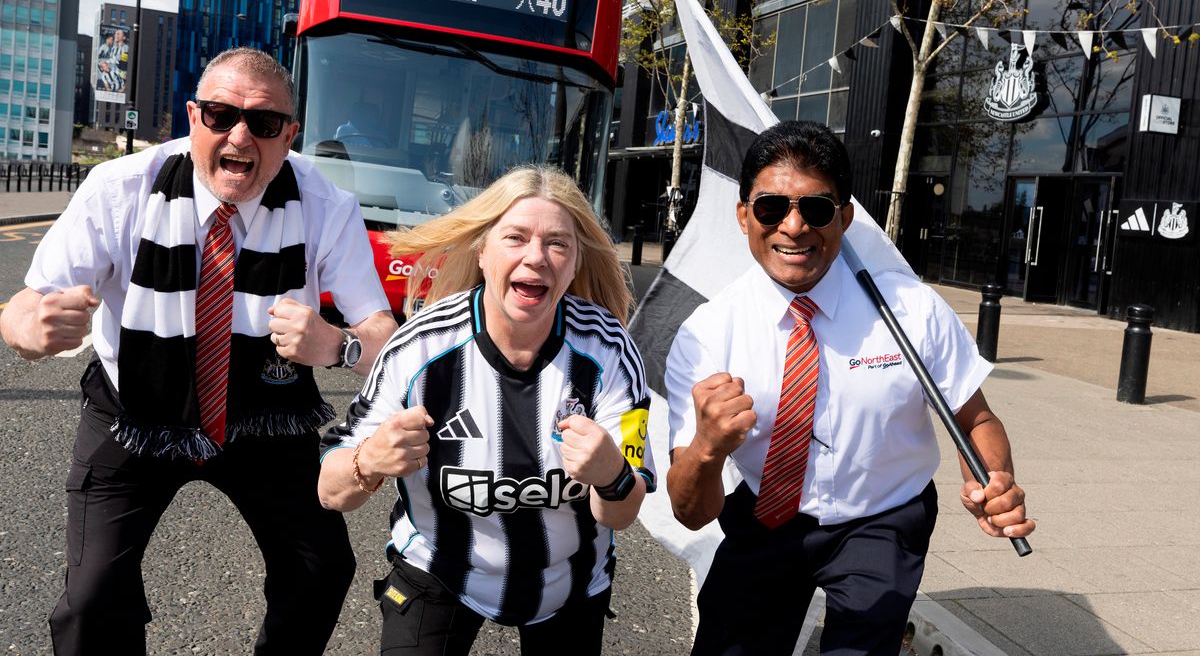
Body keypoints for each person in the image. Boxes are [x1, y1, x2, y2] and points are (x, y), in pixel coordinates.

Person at [0, 46, 398, 655]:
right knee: (92, 599)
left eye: (264, 122)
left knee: (321, 568)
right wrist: (32, 331)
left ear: (289, 135)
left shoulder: (326, 206)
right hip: (135, 411)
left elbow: (382, 337)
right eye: (220, 115)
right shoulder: (119, 188)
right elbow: (25, 307)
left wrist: (337, 345)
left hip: (265, 414)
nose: (240, 135)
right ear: (193, 119)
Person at [664, 121, 1035, 656]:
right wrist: (705, 448)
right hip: (768, 515)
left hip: (883, 517)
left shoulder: (910, 309)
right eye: (771, 207)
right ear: (744, 215)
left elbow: (974, 419)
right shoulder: (706, 334)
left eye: (816, 209)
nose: (794, 226)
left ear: (845, 217)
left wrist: (994, 481)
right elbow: (691, 512)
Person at [318, 165, 655, 656]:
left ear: (575, 262)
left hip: (569, 582)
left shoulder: (609, 350)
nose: (536, 257)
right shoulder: (419, 348)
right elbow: (330, 492)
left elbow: (621, 513)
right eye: (515, 237)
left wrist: (612, 474)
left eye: (557, 243)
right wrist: (367, 461)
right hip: (439, 570)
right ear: (482, 251)